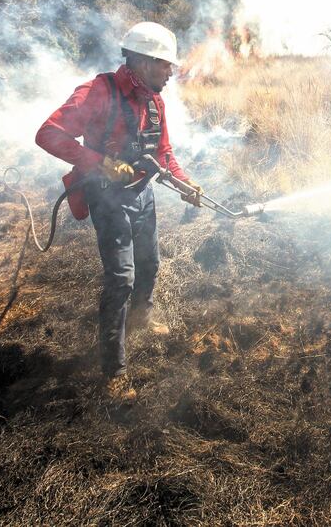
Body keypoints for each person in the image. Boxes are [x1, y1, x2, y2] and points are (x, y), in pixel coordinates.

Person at [36, 22, 202, 401]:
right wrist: (99, 163)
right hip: (106, 197)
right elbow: (48, 134)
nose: (171, 72)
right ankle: (114, 371)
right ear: (143, 62)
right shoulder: (98, 92)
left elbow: (163, 154)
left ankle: (141, 318)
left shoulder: (155, 101)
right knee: (121, 278)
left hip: (142, 194)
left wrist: (185, 184)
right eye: (165, 64)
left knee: (150, 263)